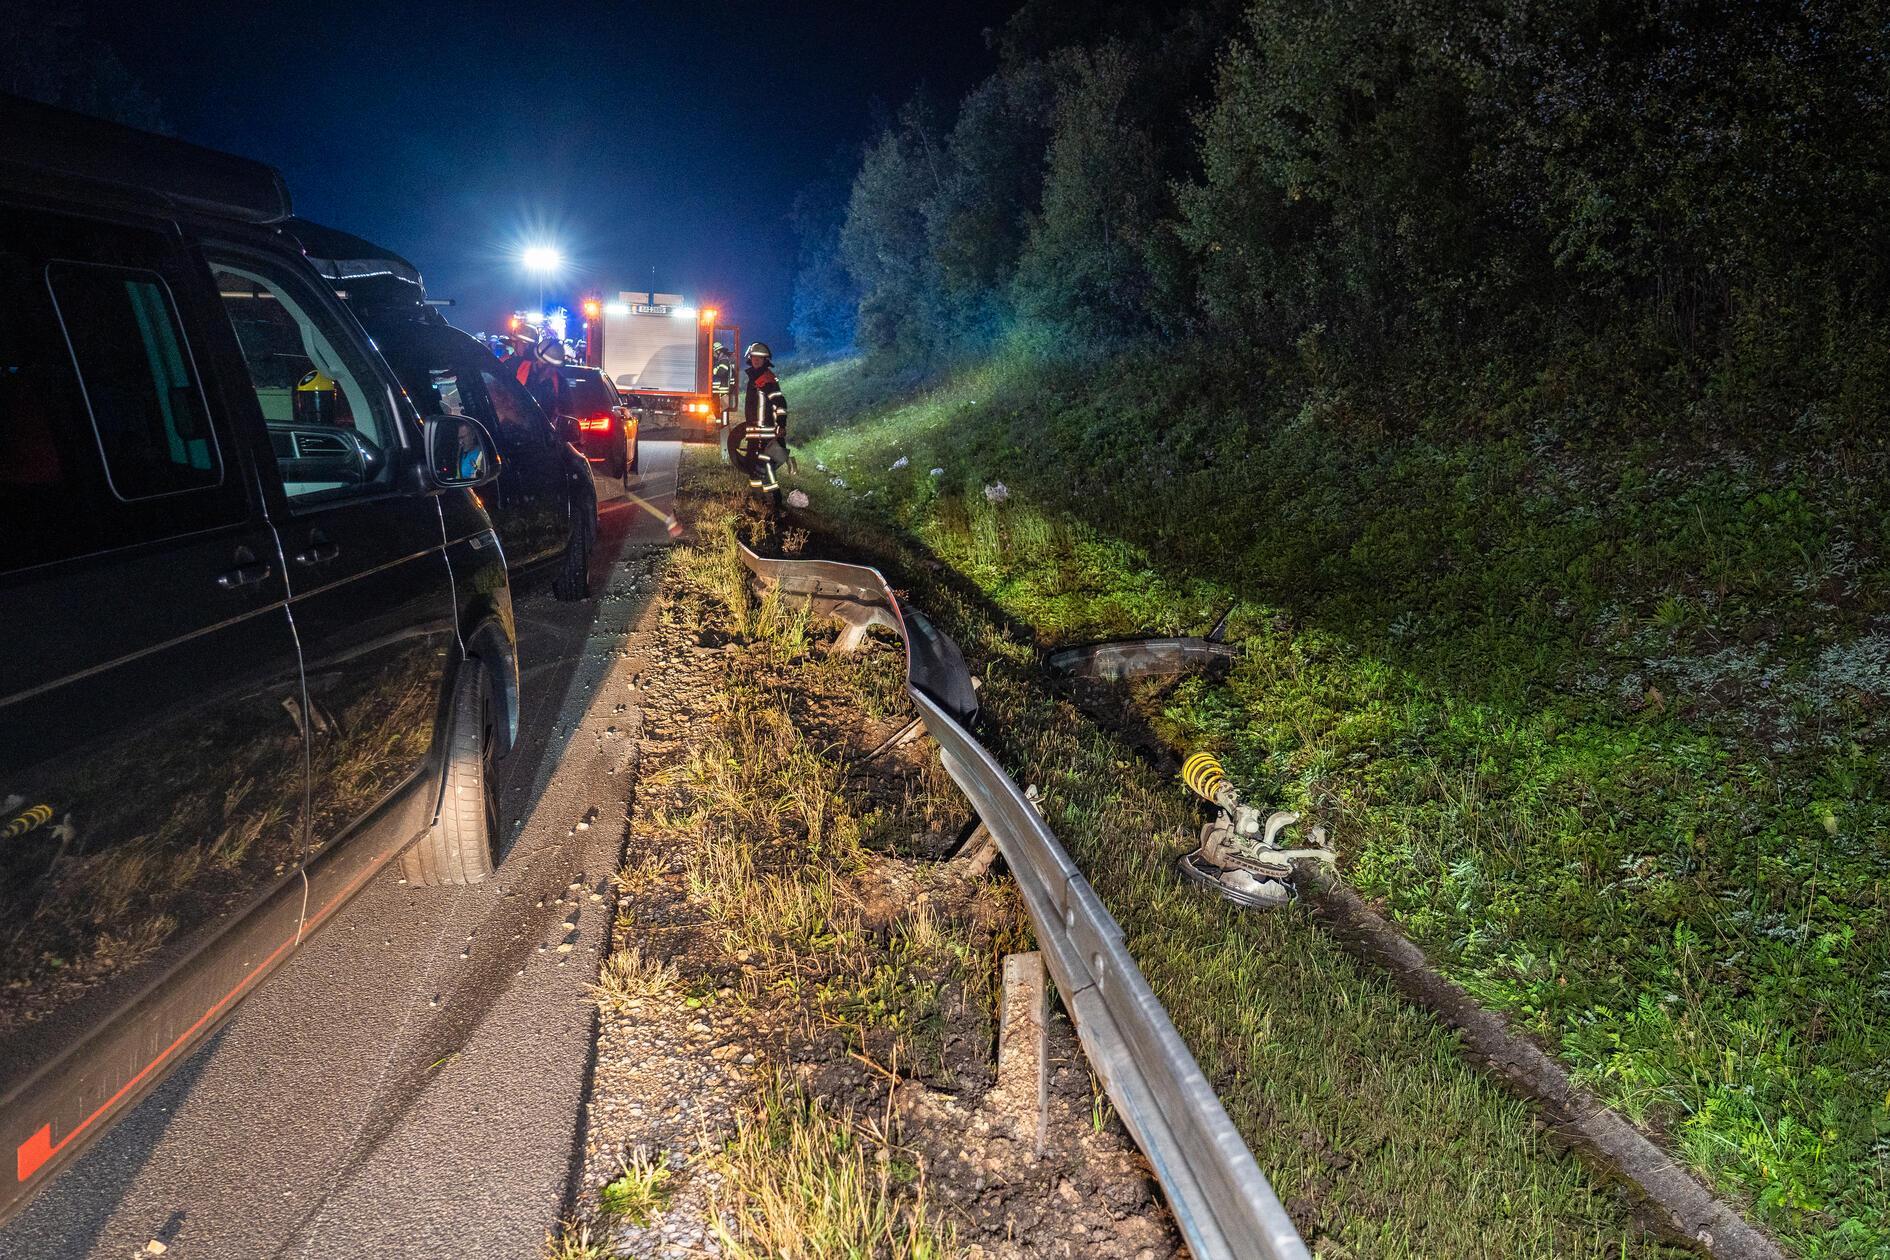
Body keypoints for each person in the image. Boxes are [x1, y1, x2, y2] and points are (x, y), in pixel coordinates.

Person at [736, 341, 789, 504]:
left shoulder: (766, 379)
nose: (756, 360)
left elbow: (780, 403)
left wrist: (781, 424)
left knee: (765, 465)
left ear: (766, 360)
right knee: (752, 465)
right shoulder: (754, 378)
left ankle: (775, 498)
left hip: (765, 432)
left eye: (760, 358)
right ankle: (757, 496)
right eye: (754, 357)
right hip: (754, 432)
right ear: (750, 358)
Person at [710, 343, 734, 421]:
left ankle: (723, 426)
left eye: (713, 352)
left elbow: (721, 372)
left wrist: (713, 370)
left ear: (718, 351)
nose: (713, 355)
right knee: (717, 407)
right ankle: (719, 424)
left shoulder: (724, 360)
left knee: (723, 409)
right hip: (719, 389)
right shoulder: (721, 360)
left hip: (723, 389)